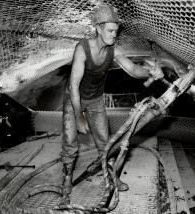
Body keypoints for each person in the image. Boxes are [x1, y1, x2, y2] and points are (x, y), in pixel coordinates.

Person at [59, 4, 164, 205]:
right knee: (70, 142)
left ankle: (112, 176)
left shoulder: (113, 50)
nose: (114, 34)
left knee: (104, 142)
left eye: (116, 30)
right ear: (98, 28)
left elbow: (133, 70)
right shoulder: (83, 49)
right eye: (110, 30)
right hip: (73, 100)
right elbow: (73, 85)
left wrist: (151, 72)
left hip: (96, 99)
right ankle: (66, 180)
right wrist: (80, 116)